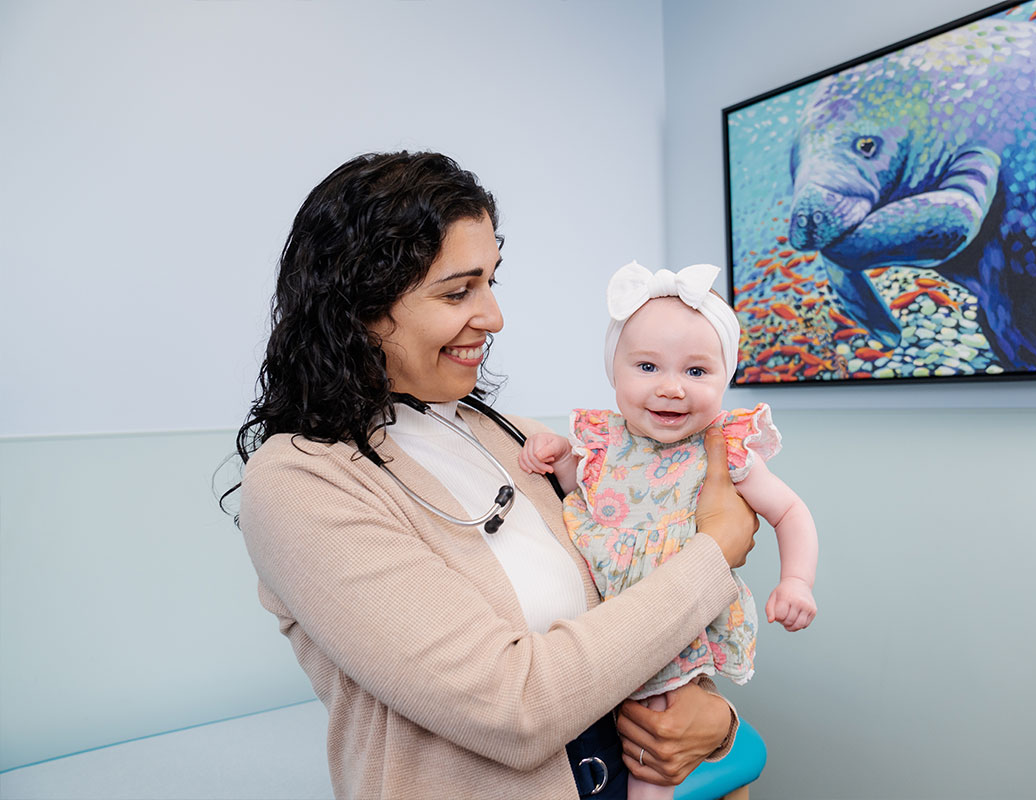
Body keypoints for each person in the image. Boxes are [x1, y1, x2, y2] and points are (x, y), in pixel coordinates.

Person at [228, 151, 759, 799]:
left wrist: (712, 720)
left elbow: (631, 598)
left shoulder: (507, 434)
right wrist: (715, 553)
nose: (494, 317)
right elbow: (514, 709)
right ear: (358, 306)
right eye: (458, 291)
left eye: (490, 283)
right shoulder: (302, 481)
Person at [518, 262, 820, 799]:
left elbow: (790, 511)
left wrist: (796, 580)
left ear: (727, 376)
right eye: (648, 367)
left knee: (652, 760)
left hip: (672, 639)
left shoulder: (725, 452)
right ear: (614, 371)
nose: (672, 389)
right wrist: (560, 460)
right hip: (596, 632)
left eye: (697, 372)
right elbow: (580, 499)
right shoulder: (604, 443)